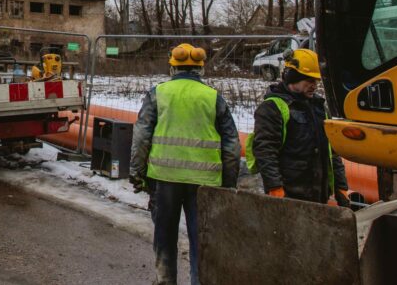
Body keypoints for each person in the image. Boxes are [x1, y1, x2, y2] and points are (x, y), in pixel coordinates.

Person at [130, 43, 240, 285]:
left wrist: (137, 172)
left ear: (172, 68)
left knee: (164, 236)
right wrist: (228, 183)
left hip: (165, 178)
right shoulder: (213, 97)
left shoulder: (158, 94)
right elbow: (232, 145)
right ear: (201, 69)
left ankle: (165, 280)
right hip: (205, 183)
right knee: (201, 241)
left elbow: (141, 136)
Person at [251, 48, 350, 206]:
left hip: (318, 195)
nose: (314, 85)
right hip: (290, 196)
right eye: (309, 80)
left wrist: (341, 186)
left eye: (316, 81)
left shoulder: (319, 107)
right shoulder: (272, 108)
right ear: (293, 78)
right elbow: (265, 151)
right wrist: (275, 187)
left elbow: (332, 152)